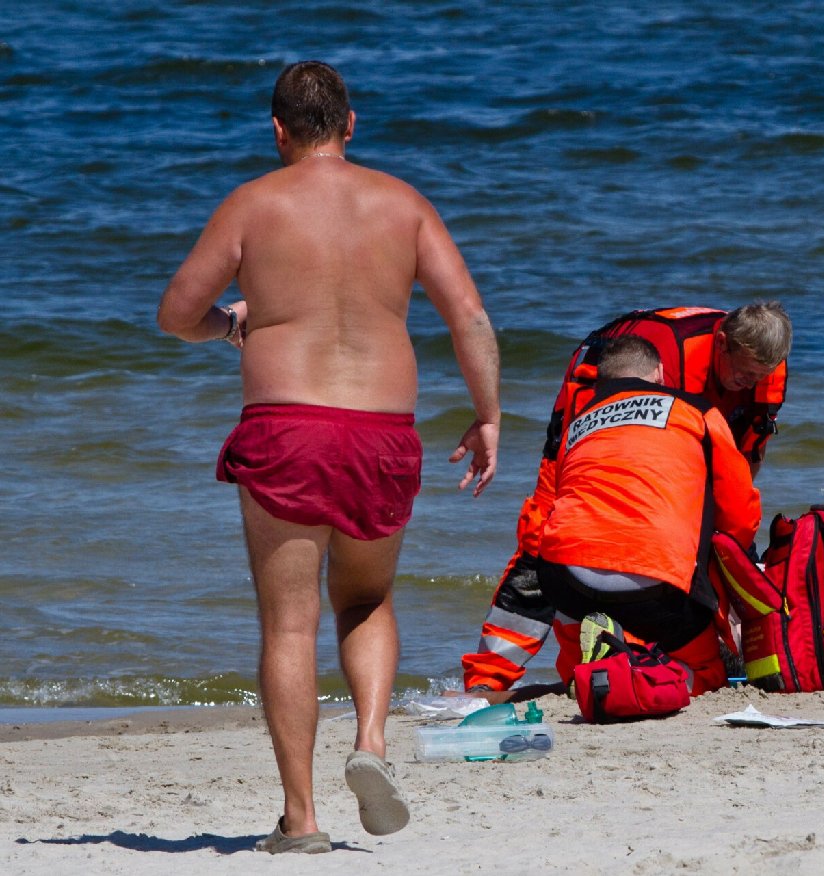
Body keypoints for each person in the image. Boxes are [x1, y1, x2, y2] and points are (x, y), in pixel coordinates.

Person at [156, 61, 500, 854]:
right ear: (353, 124)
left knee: (288, 622)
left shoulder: (251, 204)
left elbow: (177, 314)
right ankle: (371, 745)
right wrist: (486, 418)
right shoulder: (404, 205)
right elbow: (472, 320)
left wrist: (235, 324)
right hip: (383, 431)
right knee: (367, 601)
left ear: (277, 130)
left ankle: (301, 820)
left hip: (286, 429)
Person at [460, 303, 791, 697]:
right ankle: (489, 675)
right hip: (596, 409)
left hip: (580, 574)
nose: (748, 382)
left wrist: (723, 545)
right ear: (721, 344)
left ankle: (607, 660)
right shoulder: (661, 358)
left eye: (758, 376)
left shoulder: (765, 373)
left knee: (706, 540)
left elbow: (747, 460)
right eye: (744, 371)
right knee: (541, 532)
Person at [535, 336, 761, 693]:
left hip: (565, 577)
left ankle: (584, 671)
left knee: (579, 624)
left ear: (602, 381)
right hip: (654, 581)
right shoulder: (697, 411)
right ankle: (633, 671)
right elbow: (740, 513)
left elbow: (550, 504)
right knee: (708, 672)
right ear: (659, 373)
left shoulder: (575, 427)